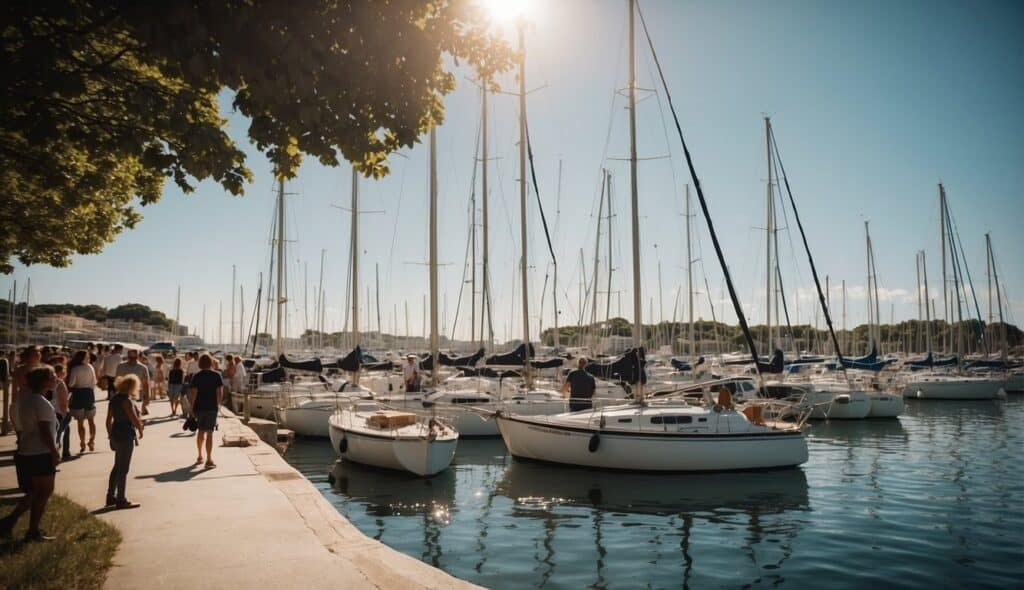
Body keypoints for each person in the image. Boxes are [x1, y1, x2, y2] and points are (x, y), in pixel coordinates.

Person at [0, 365, 60, 542]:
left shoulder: (26, 399)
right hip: (40, 452)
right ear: (45, 382)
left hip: (27, 450)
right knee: (44, 492)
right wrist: (54, 451)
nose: (56, 378)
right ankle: (32, 531)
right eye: (53, 376)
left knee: (34, 492)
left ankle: (9, 522)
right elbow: (44, 430)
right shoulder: (40, 402)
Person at [105, 374, 144, 509]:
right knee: (123, 468)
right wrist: (140, 429)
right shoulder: (126, 401)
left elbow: (108, 421)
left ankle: (110, 496)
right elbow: (133, 418)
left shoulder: (114, 399)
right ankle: (121, 499)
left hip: (116, 433)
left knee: (117, 466)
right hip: (126, 434)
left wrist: (110, 436)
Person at [188, 354, 223, 468]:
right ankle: (209, 459)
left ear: (200, 363)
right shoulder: (217, 375)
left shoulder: (196, 376)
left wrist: (191, 408)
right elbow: (219, 393)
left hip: (199, 407)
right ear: (211, 362)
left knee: (200, 432)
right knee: (210, 433)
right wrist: (218, 405)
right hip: (212, 407)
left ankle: (199, 456)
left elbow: (193, 394)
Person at [67, 349, 99, 453]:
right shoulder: (90, 367)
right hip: (89, 394)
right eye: (87, 357)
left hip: (78, 394)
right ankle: (92, 440)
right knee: (91, 420)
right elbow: (94, 382)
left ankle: (82, 443)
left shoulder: (75, 369)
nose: (89, 359)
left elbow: (71, 384)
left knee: (80, 422)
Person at [116, 349, 151, 416]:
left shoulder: (143, 368)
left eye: (134, 358)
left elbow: (146, 384)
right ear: (128, 357)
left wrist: (147, 397)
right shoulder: (120, 366)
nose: (132, 360)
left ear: (137, 357)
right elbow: (117, 381)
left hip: (137, 396)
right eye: (130, 357)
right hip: (122, 395)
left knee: (136, 415)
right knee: (123, 415)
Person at [51, 364, 72, 461]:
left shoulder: (48, 383)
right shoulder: (60, 383)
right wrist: (65, 413)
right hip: (60, 413)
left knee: (63, 432)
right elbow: (63, 401)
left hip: (51, 412)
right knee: (59, 435)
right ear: (59, 372)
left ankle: (65, 452)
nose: (65, 373)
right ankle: (59, 455)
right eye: (64, 371)